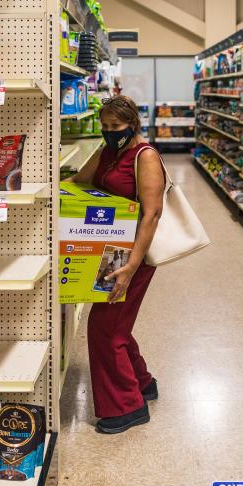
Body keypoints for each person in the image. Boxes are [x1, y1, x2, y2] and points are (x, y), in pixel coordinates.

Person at [68, 95, 165, 434]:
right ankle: (144, 383)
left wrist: (131, 267)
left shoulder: (145, 156)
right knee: (116, 323)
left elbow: (151, 214)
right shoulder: (109, 151)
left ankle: (128, 406)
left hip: (135, 254)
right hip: (110, 250)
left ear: (132, 125)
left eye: (116, 127)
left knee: (105, 327)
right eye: (105, 127)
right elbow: (80, 180)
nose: (109, 133)